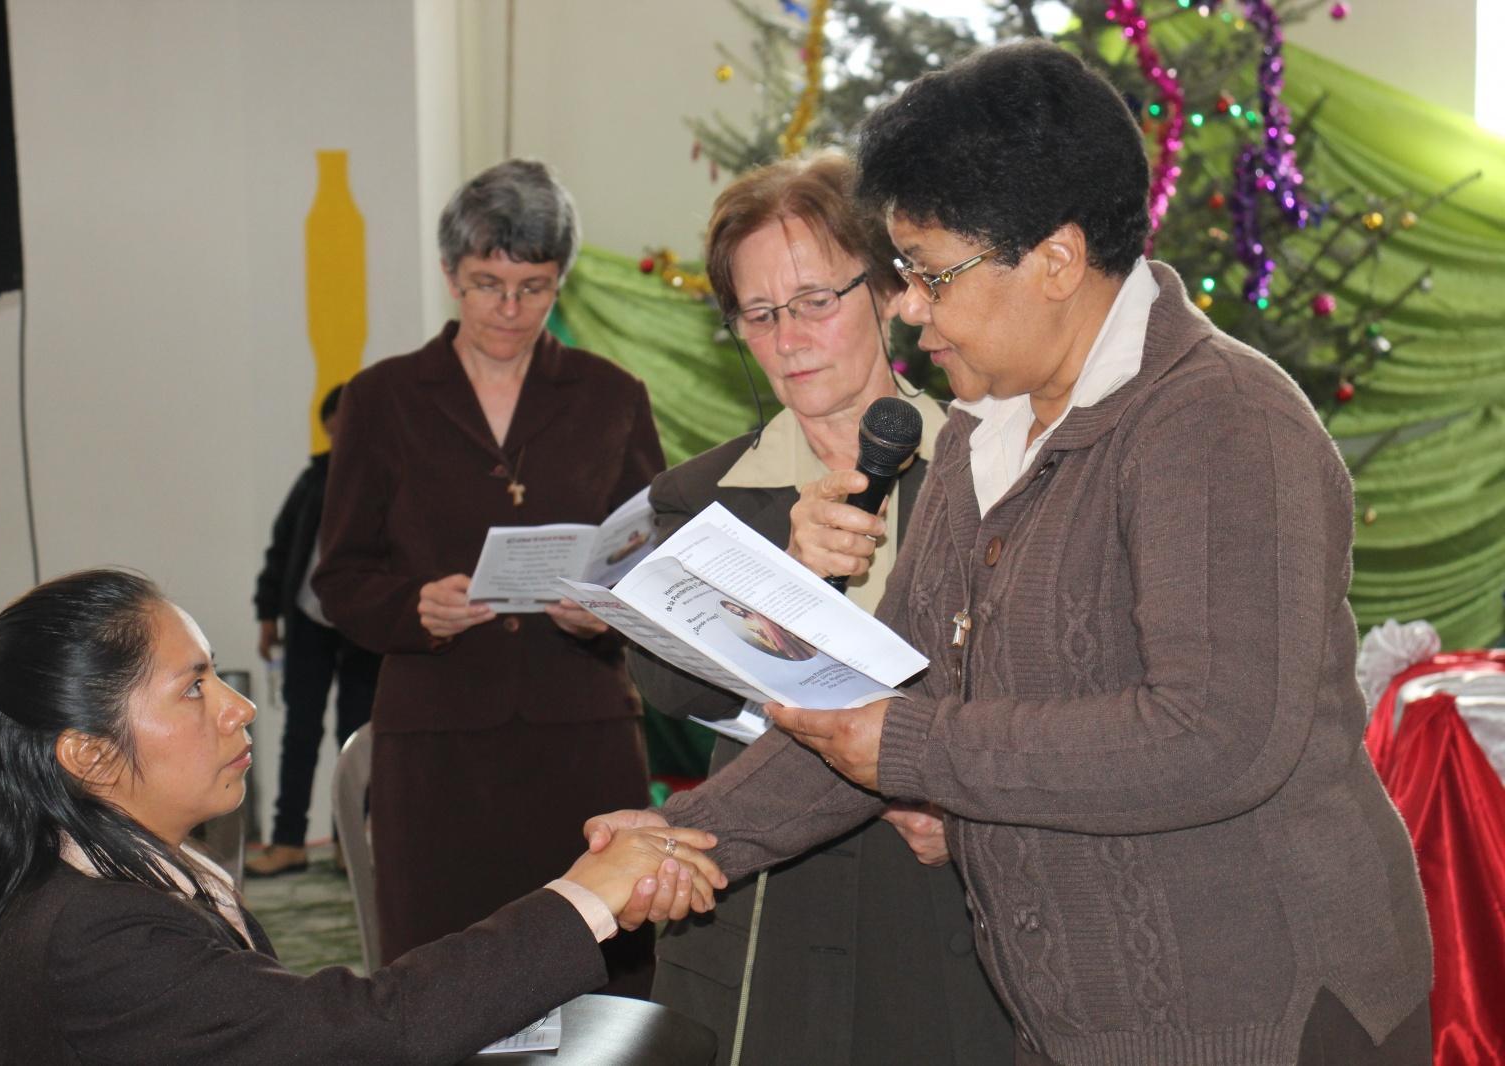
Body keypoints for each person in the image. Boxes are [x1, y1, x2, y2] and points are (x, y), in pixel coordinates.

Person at [592, 42, 1433, 1066]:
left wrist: (915, 747)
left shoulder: (1217, 422)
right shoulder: (977, 439)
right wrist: (683, 840)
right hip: (1071, 1017)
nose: (906, 307)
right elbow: (867, 703)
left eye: (929, 273)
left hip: (1255, 1010)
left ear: (1056, 261)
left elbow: (1216, 734)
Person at [0, 569, 725, 1065]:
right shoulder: (95, 935)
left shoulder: (105, 880)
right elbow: (364, 1033)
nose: (239, 709)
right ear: (89, 755)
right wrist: (586, 896)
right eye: (194, 688)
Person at [626, 154, 1011, 1065]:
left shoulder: (999, 466)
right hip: (763, 909)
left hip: (939, 900)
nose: (788, 338)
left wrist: (970, 813)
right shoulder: (703, 499)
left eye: (815, 301)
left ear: (886, 292)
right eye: (758, 315)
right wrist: (781, 572)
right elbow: (665, 684)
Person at [312, 159, 665, 992]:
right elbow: (340, 577)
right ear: (448, 275)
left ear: (560, 284)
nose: (510, 310)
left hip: (581, 735)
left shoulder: (611, 396)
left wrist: (605, 610)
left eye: (534, 287)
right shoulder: (382, 398)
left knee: (606, 981)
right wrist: (414, 607)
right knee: (440, 985)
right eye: (487, 284)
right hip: (438, 747)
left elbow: (651, 559)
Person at [248, 384, 381, 878]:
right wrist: (268, 615)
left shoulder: (388, 474)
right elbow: (282, 549)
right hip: (307, 621)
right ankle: (289, 842)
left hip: (365, 625)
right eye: (335, 421)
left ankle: (350, 843)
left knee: (357, 735)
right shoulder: (312, 479)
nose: (342, 429)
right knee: (299, 733)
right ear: (327, 427)